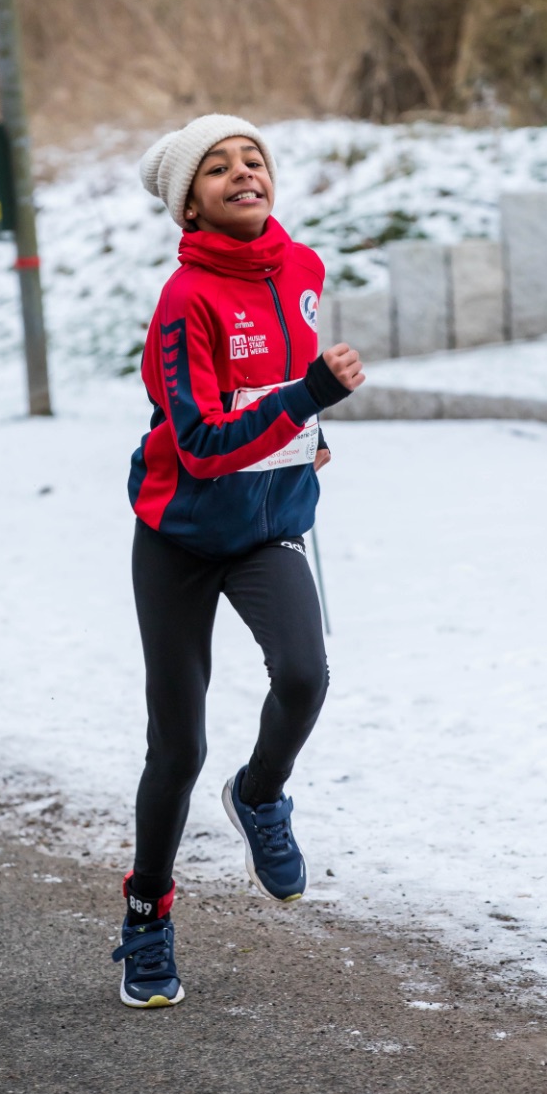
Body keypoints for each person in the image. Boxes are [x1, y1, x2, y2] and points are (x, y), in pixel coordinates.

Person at [112, 113, 364, 1008]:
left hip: (265, 530)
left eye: (252, 158)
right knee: (177, 747)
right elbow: (204, 443)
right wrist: (306, 399)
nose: (242, 173)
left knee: (304, 674)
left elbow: (279, 393)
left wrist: (308, 434)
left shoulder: (303, 270)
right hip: (179, 537)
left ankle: (260, 796)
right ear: (190, 205)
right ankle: (147, 914)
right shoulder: (184, 301)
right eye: (217, 168)